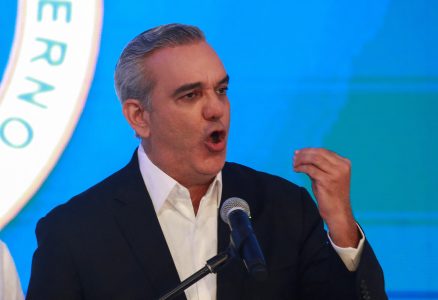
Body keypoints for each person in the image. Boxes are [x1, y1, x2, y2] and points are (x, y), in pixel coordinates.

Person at [27, 24, 386, 299]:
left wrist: (341, 225)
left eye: (221, 90)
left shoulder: (285, 208)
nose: (216, 109)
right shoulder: (72, 233)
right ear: (139, 117)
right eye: (191, 95)